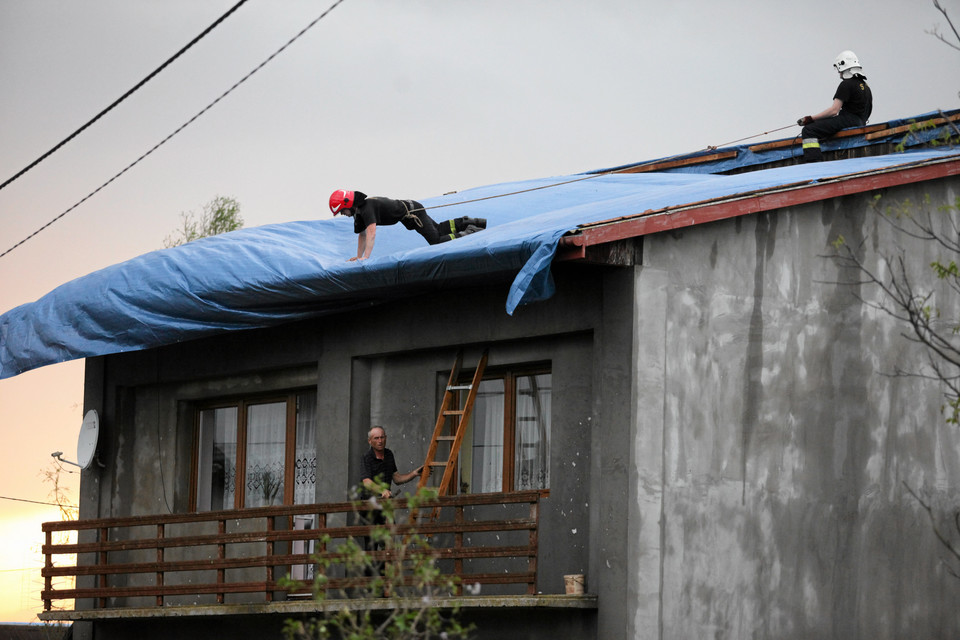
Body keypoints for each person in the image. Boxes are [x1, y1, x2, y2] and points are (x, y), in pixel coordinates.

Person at [329, 190, 486, 261]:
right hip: (408, 215)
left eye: (343, 211)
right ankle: (467, 222)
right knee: (438, 230)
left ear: (348, 204)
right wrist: (358, 257)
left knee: (436, 241)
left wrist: (366, 257)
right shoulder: (358, 215)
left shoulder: (366, 208)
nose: (343, 214)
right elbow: (362, 235)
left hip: (413, 211)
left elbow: (371, 232)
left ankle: (470, 231)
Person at [357, 425, 423, 580]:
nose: (380, 441)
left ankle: (386, 583)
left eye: (382, 437)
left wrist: (414, 474)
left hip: (385, 506)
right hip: (370, 506)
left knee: (389, 542)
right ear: (370, 441)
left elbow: (397, 478)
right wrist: (382, 490)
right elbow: (366, 482)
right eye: (376, 438)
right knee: (372, 545)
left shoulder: (389, 454)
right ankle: (371, 585)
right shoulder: (366, 458)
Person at [796, 50, 873, 163]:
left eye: (838, 69)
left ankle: (813, 161)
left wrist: (811, 119)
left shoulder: (846, 84)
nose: (839, 73)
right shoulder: (865, 86)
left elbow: (834, 110)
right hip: (860, 122)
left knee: (809, 130)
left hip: (848, 119)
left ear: (843, 65)